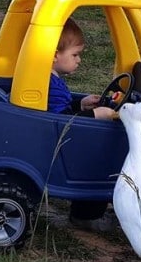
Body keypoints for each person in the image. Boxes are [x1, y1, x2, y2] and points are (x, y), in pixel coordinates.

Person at [49, 17, 117, 232]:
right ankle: (86, 215)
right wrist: (95, 115)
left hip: (52, 140)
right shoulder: (53, 87)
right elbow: (63, 122)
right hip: (57, 147)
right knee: (99, 162)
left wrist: (82, 103)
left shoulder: (49, 80)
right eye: (75, 54)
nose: (79, 60)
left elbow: (61, 110)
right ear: (53, 55)